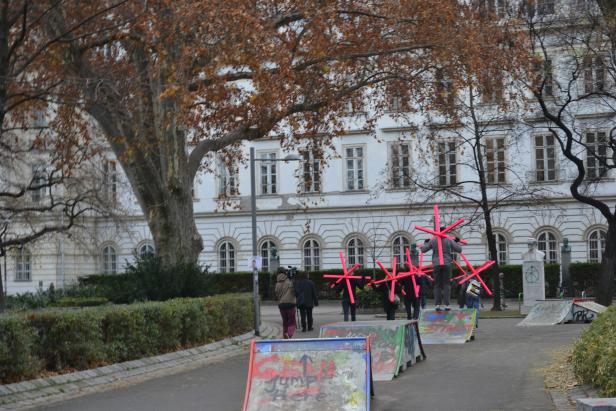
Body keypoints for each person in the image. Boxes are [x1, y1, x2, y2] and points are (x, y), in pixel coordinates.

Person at [421, 230, 462, 311]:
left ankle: (437, 304)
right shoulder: (448, 240)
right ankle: (447, 304)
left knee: (437, 285)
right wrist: (457, 242)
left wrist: (426, 243)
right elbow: (459, 249)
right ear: (445, 232)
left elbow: (423, 250)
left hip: (436, 264)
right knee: (447, 284)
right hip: (447, 263)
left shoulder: (433, 240)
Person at [275, 267, 297, 338]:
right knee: (292, 321)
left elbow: (277, 294)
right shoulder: (289, 282)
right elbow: (294, 291)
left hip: (281, 304)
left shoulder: (277, 283)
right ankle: (289, 334)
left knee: (285, 321)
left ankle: (285, 334)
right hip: (290, 303)